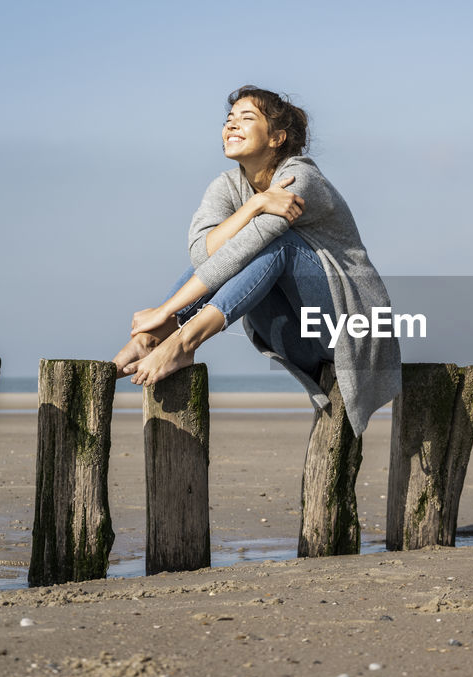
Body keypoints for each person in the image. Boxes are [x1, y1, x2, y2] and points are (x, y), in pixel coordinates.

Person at [111, 85, 400, 436]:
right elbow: (204, 254)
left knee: (278, 243)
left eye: (246, 118)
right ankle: (154, 338)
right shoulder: (227, 187)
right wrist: (253, 205)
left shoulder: (299, 177)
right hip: (296, 338)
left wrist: (165, 311)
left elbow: (249, 246)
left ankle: (181, 340)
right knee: (240, 249)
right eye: (228, 119)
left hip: (350, 327)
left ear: (277, 137)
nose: (232, 125)